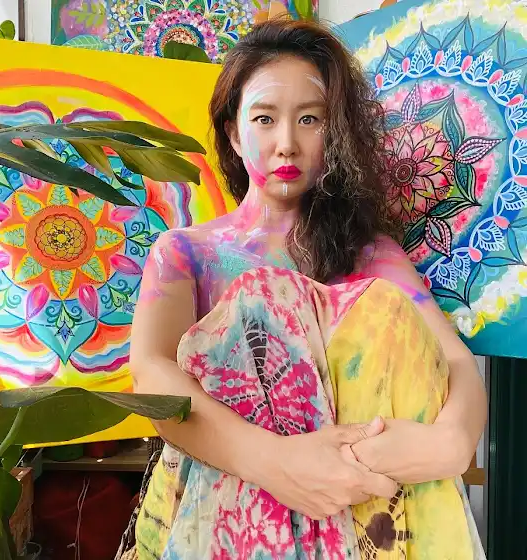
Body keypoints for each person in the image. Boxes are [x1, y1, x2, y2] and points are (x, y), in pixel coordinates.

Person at [119, 18, 487, 560]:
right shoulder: (186, 253)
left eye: (310, 119)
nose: (286, 143)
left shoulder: (370, 254)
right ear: (233, 132)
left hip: (364, 511)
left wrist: (451, 442)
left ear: (335, 132)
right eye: (264, 119)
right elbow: (151, 374)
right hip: (223, 511)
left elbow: (454, 362)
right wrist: (275, 461)